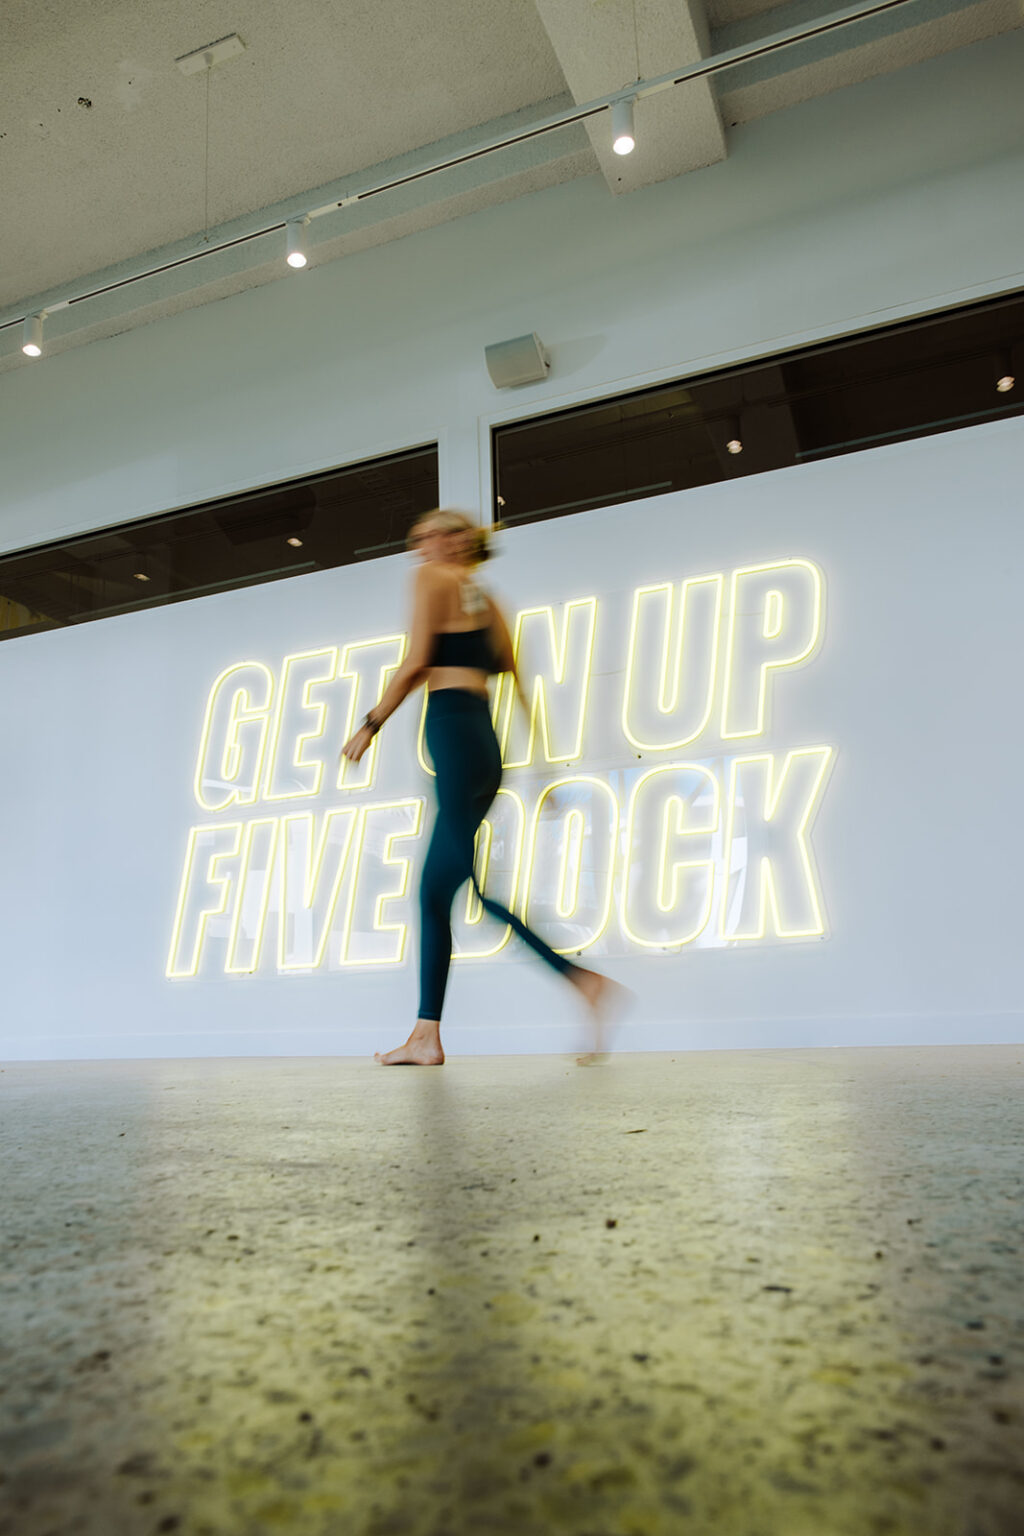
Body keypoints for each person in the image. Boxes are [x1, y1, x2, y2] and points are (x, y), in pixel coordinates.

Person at [341, 508, 624, 1065]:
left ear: (451, 540)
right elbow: (518, 688)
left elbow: (418, 661)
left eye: (424, 537)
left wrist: (370, 723)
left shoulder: (431, 578)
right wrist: (542, 770)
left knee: (464, 890)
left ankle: (581, 981)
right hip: (484, 749)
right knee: (435, 893)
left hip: (452, 734)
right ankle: (426, 1036)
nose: (418, 549)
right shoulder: (490, 602)